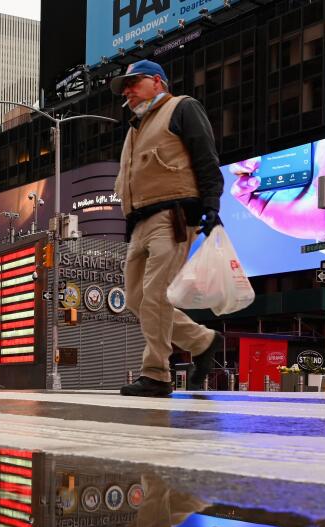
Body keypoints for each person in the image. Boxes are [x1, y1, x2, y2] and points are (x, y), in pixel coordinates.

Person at [111, 60, 223, 397]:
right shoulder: (135, 128)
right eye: (125, 87)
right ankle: (202, 341)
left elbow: (206, 156)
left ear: (158, 81)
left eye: (134, 83)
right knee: (135, 298)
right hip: (140, 222)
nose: (128, 91)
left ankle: (157, 375)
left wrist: (211, 205)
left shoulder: (183, 107)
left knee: (156, 295)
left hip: (172, 216)